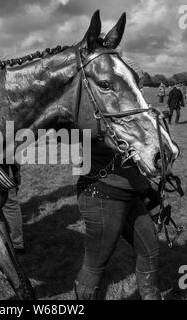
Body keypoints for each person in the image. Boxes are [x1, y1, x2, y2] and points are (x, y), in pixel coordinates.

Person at [73, 59, 162, 300]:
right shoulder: (97, 113)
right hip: (101, 195)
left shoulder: (132, 111)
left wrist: (150, 192)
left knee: (151, 251)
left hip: (130, 192)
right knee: (95, 266)